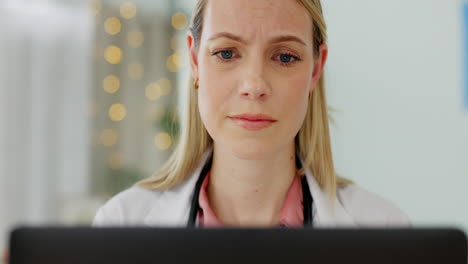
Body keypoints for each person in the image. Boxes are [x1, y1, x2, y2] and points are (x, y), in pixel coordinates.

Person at [93, 0, 410, 228]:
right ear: (194, 60)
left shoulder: (383, 228)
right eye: (226, 53)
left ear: (316, 68)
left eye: (284, 57)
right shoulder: (121, 223)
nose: (254, 85)